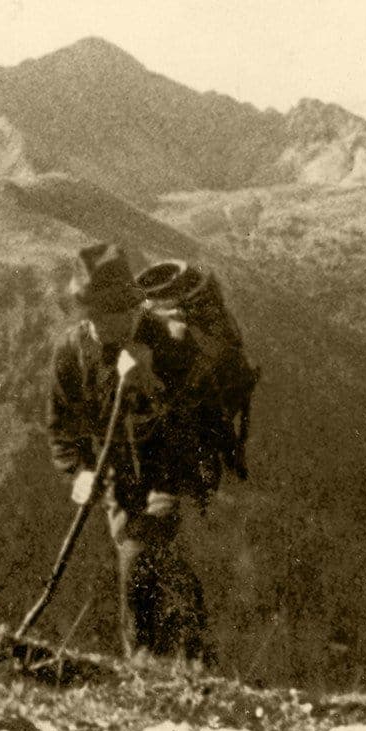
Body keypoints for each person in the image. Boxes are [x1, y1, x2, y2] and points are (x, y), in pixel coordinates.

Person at [47, 242, 212, 660]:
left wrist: (151, 380)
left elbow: (197, 420)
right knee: (145, 563)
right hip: (117, 480)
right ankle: (176, 662)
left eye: (113, 314)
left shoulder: (169, 342)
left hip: (172, 470)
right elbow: (61, 429)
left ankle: (147, 661)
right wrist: (79, 473)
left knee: (141, 553)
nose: (103, 325)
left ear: (133, 308)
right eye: (94, 316)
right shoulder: (71, 353)